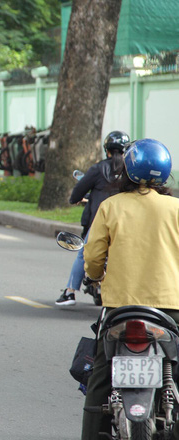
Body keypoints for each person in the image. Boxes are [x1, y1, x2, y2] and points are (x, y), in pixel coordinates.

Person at [81, 138, 178, 439]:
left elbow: (94, 258)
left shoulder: (111, 207)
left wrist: (95, 276)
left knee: (100, 377)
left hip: (121, 308)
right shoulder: (176, 208)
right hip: (170, 309)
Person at [55, 130, 129, 306]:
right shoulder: (129, 171)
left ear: (107, 150)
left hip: (100, 222)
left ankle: (70, 292)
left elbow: (78, 191)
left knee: (84, 254)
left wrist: (74, 199)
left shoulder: (98, 169)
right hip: (125, 223)